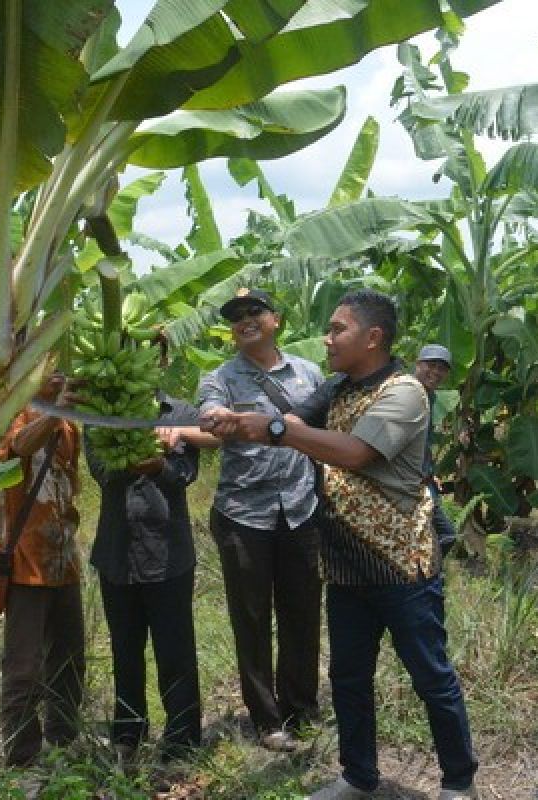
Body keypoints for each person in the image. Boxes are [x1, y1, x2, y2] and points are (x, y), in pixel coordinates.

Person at [201, 289, 478, 800]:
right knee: (350, 678)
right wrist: (237, 423)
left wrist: (276, 429)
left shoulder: (405, 392)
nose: (327, 339)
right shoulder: (338, 387)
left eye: (337, 330)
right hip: (347, 564)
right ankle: (358, 777)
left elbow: (355, 452)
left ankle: (459, 781)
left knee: (430, 677)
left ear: (372, 337)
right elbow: (297, 423)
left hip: (400, 566)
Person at [178, 288, 325, 752]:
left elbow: (325, 428)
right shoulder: (219, 377)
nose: (245, 320)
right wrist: (216, 418)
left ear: (275, 320)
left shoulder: (309, 372)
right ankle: (267, 719)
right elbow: (208, 415)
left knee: (303, 614)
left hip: (302, 509)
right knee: (252, 618)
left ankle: (302, 708)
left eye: (254, 312)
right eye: (236, 316)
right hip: (244, 515)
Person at [84, 394, 203, 765]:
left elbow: (186, 474)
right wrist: (135, 453)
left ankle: (182, 738)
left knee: (176, 650)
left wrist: (160, 467)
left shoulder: (181, 414)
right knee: (125, 650)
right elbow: (102, 473)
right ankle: (128, 733)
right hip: (117, 552)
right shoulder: (99, 412)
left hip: (169, 553)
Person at [0, 375, 85, 767]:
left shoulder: (69, 426)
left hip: (64, 560)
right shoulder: (14, 413)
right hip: (25, 563)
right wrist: (54, 413)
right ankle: (21, 757)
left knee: (69, 659)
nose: (60, 375)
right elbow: (18, 447)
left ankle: (63, 740)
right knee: (24, 667)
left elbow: (72, 486)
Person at [414, 344, 458, 558]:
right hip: (410, 481)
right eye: (431, 366)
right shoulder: (408, 393)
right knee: (444, 534)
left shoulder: (430, 397)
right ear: (418, 365)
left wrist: (430, 472)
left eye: (442, 369)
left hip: (424, 478)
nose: (436, 372)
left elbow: (423, 442)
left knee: (441, 535)